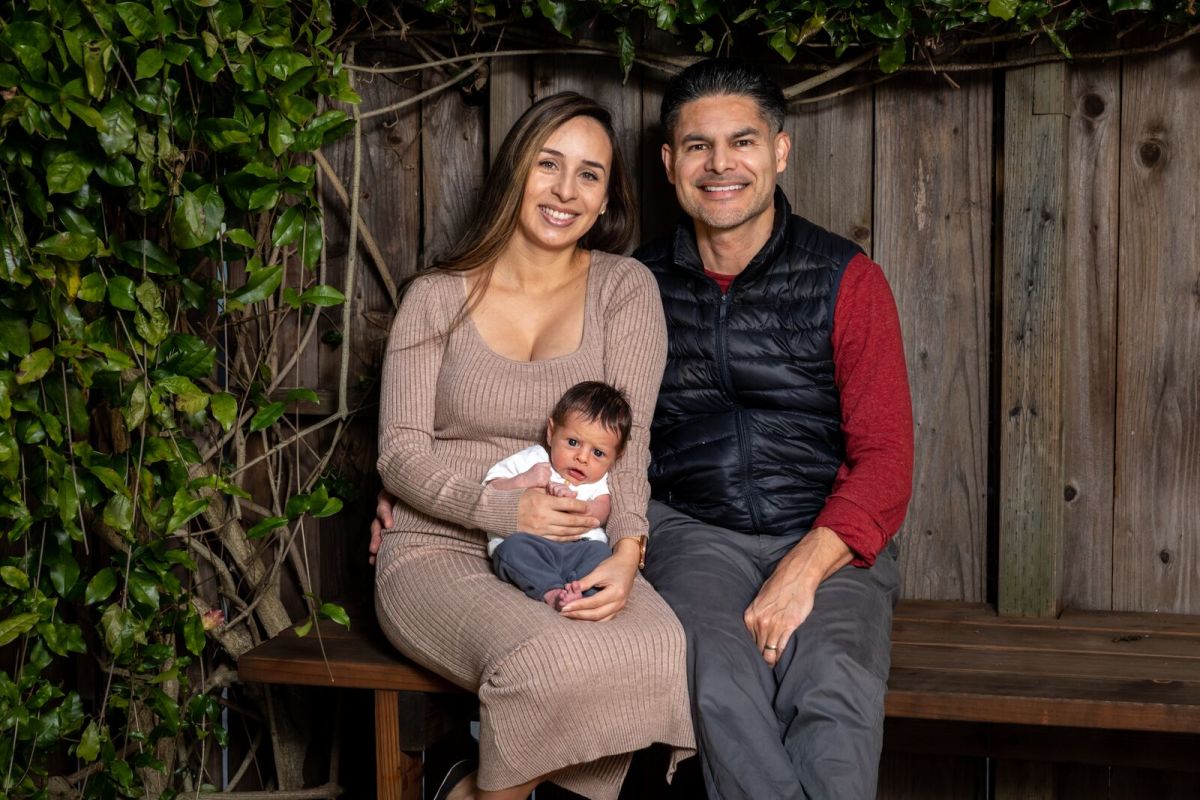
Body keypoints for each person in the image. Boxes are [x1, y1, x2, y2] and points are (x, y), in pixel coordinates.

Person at [372, 91, 693, 800]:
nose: (565, 191)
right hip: (437, 547)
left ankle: (467, 789)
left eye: (590, 174)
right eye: (549, 165)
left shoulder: (625, 291)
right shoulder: (436, 296)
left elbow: (630, 456)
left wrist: (628, 552)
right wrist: (501, 512)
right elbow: (398, 452)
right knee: (550, 658)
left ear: (608, 196)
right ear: (516, 169)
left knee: (657, 646)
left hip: (579, 547)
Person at [635, 59, 913, 799]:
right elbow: (562, 406)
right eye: (697, 146)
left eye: (743, 141)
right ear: (670, 163)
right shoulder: (632, 285)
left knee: (832, 691)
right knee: (720, 683)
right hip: (692, 533)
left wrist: (802, 570)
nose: (720, 163)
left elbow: (886, 459)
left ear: (779, 151)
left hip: (829, 537)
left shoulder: (846, 278)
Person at [485, 381, 631, 610]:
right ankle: (552, 591)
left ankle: (584, 592)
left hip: (579, 548)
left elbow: (602, 511)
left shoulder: (600, 480)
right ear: (551, 433)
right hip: (533, 543)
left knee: (602, 553)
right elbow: (491, 490)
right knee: (511, 551)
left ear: (616, 458)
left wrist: (581, 506)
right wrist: (524, 480)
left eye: (598, 453)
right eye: (573, 442)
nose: (582, 458)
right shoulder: (533, 460)